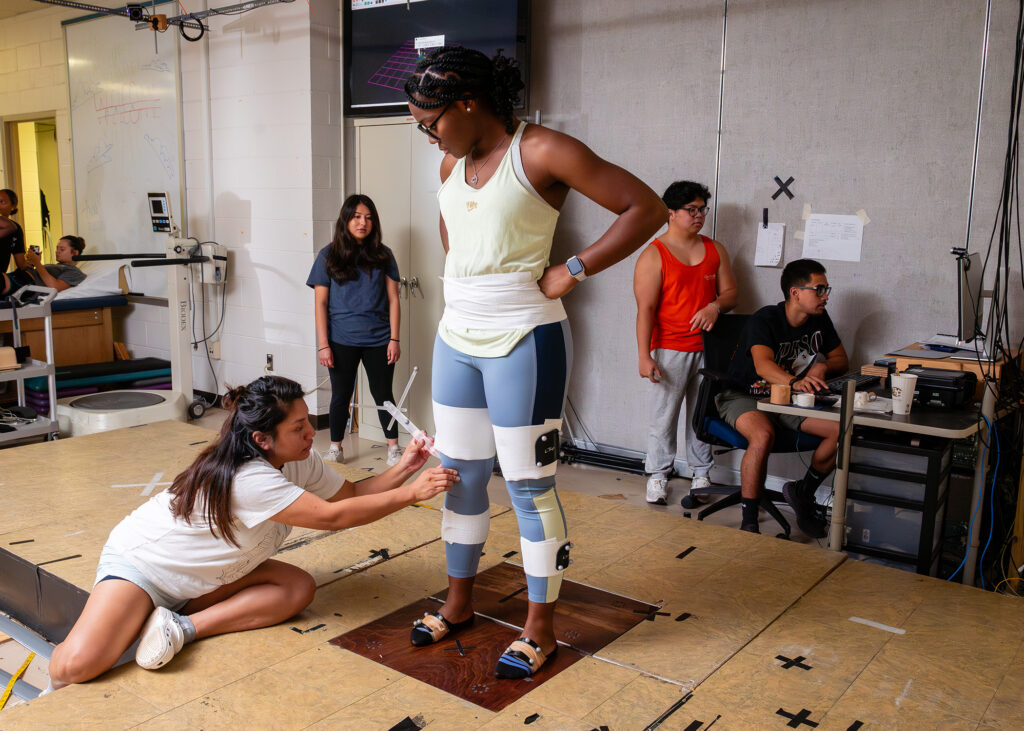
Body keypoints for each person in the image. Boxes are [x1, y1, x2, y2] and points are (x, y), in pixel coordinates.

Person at [405, 46, 666, 679]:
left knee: (526, 486)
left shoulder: (543, 150)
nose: (427, 134)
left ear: (468, 103)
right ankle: (459, 601)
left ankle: (539, 629)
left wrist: (573, 269)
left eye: (430, 121)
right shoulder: (449, 161)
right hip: (455, 338)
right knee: (460, 478)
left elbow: (646, 208)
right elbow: (455, 231)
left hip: (524, 337)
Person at [47, 376, 458, 688]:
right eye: (298, 428)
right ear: (262, 439)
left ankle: (180, 628)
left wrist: (406, 468)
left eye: (306, 422)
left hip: (201, 579)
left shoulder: (297, 458)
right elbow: (335, 518)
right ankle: (141, 615)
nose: (310, 433)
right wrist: (411, 495)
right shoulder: (250, 477)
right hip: (147, 566)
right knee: (75, 666)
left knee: (297, 588)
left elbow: (348, 495)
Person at [716, 259, 846, 537]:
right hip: (744, 394)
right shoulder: (766, 319)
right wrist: (797, 382)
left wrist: (824, 366)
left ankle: (802, 492)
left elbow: (840, 360)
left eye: (827, 289)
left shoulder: (820, 319)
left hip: (787, 397)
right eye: (819, 289)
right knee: (762, 436)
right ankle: (749, 521)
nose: (825, 296)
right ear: (795, 292)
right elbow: (763, 366)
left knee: (840, 430)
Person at [634, 181, 737, 505]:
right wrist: (644, 356)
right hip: (670, 349)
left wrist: (714, 306)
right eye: (691, 210)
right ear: (672, 213)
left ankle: (701, 473)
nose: (699, 216)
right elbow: (645, 310)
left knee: (702, 415)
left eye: (702, 209)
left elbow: (732, 293)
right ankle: (658, 475)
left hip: (710, 349)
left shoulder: (715, 249)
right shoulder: (654, 254)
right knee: (664, 417)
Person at [307, 195, 403, 466]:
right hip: (341, 340)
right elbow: (321, 303)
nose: (363, 222)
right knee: (341, 395)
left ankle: (393, 447)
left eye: (369, 217)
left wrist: (394, 338)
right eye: (357, 217)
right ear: (346, 220)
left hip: (379, 339)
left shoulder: (384, 255)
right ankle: (336, 447)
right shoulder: (328, 255)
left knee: (384, 394)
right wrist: (323, 344)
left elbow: (394, 299)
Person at [1, 235, 87, 295]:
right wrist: (32, 263)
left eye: (62, 249)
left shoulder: (74, 272)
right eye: (57, 248)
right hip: (18, 277)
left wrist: (37, 263)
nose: (57, 251)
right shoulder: (58, 266)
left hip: (25, 284)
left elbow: (55, 286)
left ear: (75, 253)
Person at [0, 188, 27, 275]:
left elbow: (21, 263)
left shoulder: (16, 229)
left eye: (2, 202)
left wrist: (33, 260)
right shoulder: (11, 227)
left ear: (13, 206)